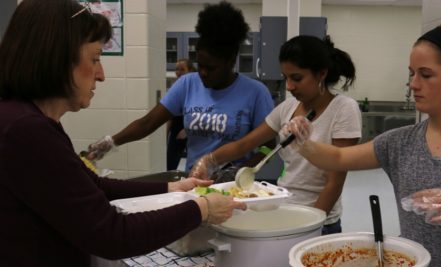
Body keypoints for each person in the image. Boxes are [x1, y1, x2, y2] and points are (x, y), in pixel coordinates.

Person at [0, 1, 246, 267]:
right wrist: (202, 208)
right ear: (58, 59)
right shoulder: (26, 131)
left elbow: (96, 187)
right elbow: (111, 235)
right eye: (95, 59)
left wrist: (174, 189)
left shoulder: (32, 122)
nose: (101, 75)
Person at [284, 23, 441, 267]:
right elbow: (338, 159)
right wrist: (304, 142)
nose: (413, 84)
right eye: (411, 74)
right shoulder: (400, 143)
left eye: (426, 75)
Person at [191, 35, 361, 235]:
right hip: (281, 210)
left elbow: (334, 182)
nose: (289, 86)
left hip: (319, 220)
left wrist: (309, 226)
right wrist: (208, 161)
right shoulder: (288, 107)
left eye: (297, 78)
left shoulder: (343, 110)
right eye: (285, 78)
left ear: (321, 74)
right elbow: (244, 145)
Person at [87, 1, 274, 174]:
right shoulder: (187, 84)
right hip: (194, 179)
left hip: (236, 187)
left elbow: (269, 145)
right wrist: (110, 142)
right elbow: (147, 123)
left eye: (211, 68)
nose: (203, 73)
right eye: (200, 65)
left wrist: (240, 172)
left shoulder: (256, 92)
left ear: (231, 60)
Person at [166, 58, 196, 170]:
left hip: (192, 128)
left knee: (194, 165)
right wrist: (166, 133)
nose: (178, 72)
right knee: (170, 163)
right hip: (176, 128)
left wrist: (187, 130)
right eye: (177, 69)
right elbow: (169, 114)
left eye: (182, 69)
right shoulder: (175, 88)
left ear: (191, 71)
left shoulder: (196, 89)